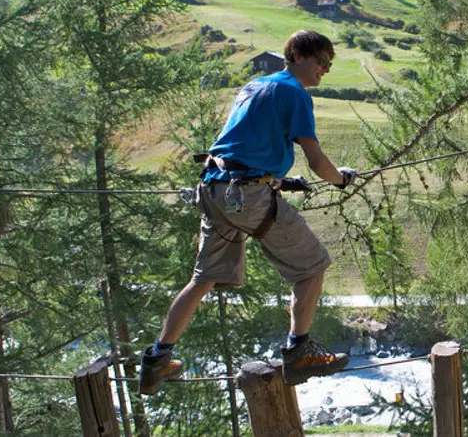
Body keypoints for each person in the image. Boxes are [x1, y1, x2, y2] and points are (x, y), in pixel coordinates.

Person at [139, 30, 358, 394]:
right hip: (247, 193)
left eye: (329, 65)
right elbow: (317, 160)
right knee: (312, 268)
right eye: (322, 62)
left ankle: (157, 360)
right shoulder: (294, 93)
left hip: (214, 188)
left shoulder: (256, 86)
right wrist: (341, 180)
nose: (325, 71)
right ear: (299, 56)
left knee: (202, 278)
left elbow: (246, 146)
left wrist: (280, 181)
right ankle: (298, 352)